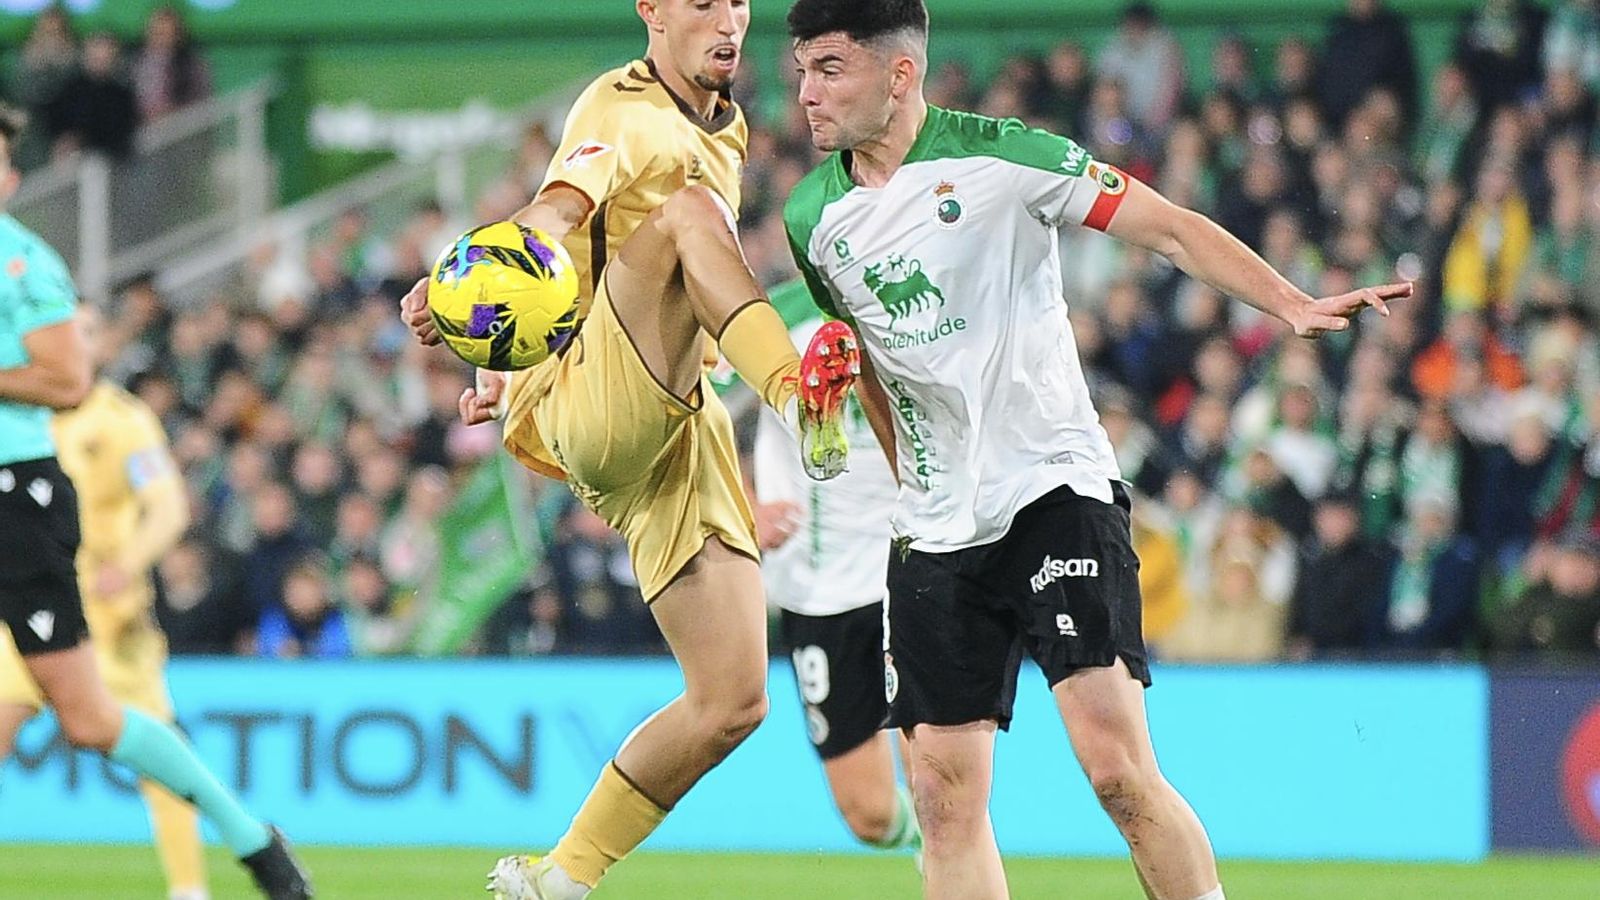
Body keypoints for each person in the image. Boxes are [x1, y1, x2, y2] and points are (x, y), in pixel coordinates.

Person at [781, 2, 1409, 898]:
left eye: (830, 68)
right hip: (932, 530)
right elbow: (870, 362)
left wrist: (1291, 303)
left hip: (1051, 493)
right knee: (942, 801)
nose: (806, 92)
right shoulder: (813, 216)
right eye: (802, 69)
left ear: (900, 73)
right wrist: (908, 479)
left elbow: (1170, 227)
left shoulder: (1006, 158)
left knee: (1116, 771)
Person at [396, 2, 860, 897]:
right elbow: (556, 211)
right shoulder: (621, 106)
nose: (729, 21)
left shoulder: (728, 127)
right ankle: (798, 397)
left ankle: (560, 877)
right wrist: (471, 282)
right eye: (702, 3)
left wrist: (501, 366)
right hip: (599, 400)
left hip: (674, 419)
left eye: (737, 2)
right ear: (651, 10)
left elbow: (590, 261)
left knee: (731, 701)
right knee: (688, 215)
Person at [0, 106, 309, 899]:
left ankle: (241, 844)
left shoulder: (25, 268)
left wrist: (130, 562)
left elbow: (73, 393)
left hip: (45, 535)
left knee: (92, 723)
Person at [0, 306, 210, 900]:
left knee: (160, 755)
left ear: (98, 346)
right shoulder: (20, 416)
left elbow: (167, 506)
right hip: (29, 606)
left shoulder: (124, 420)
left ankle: (188, 889)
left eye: (86, 332)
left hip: (109, 617)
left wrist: (129, 563)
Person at [749, 283, 920, 858]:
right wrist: (743, 505)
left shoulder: (919, 301)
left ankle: (949, 857)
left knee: (938, 777)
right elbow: (695, 408)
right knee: (869, 815)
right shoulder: (777, 315)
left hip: (915, 568)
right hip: (818, 589)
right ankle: (929, 840)